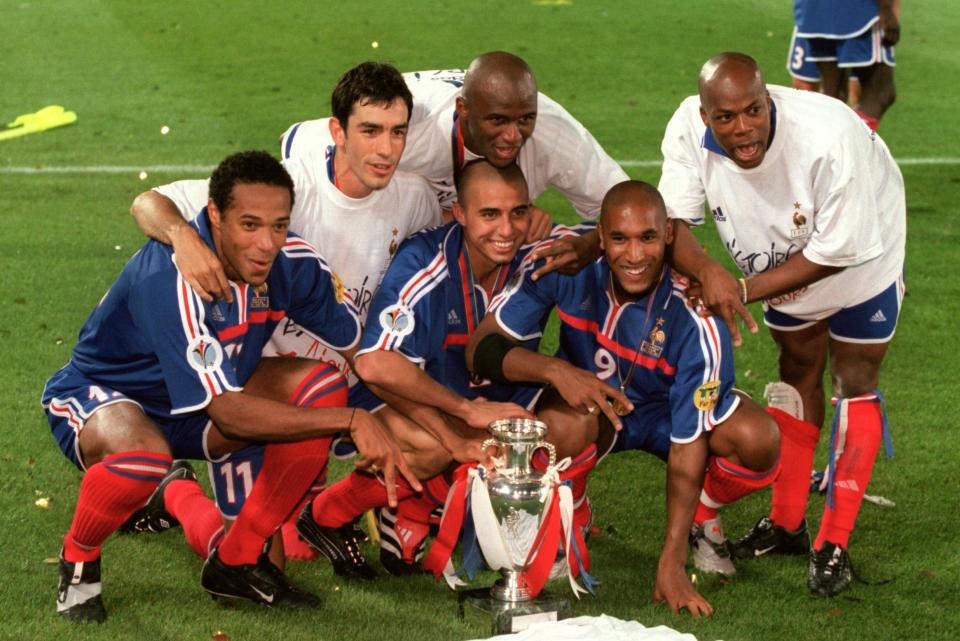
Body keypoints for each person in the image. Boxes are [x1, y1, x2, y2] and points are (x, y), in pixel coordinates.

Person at [43, 151, 415, 622]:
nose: (266, 244)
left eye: (278, 226)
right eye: (250, 225)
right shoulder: (172, 277)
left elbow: (362, 356)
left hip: (209, 399)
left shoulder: (291, 262)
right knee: (143, 457)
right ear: (215, 216)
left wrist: (440, 419)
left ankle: (234, 562)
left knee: (319, 386)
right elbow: (229, 413)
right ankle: (80, 557)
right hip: (110, 397)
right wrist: (353, 420)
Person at [129, 62, 441, 559]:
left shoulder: (414, 197)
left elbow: (452, 233)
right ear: (337, 130)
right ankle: (175, 491)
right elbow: (149, 201)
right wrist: (182, 236)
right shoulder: (289, 190)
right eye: (370, 131)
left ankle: (331, 512)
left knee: (435, 441)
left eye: (397, 132)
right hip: (267, 384)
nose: (385, 149)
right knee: (257, 556)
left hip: (353, 370)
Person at [466, 180, 779, 618]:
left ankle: (704, 517)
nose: (634, 256)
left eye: (648, 238)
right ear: (599, 238)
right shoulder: (565, 262)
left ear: (668, 236)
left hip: (670, 412)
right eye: (619, 239)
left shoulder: (695, 313)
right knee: (557, 429)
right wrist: (557, 370)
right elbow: (481, 350)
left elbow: (689, 448)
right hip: (592, 406)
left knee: (757, 440)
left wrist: (670, 561)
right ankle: (571, 514)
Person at [658, 52, 905, 598]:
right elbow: (673, 222)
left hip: (863, 250)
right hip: (775, 253)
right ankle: (788, 524)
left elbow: (834, 253)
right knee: (797, 367)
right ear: (705, 116)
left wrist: (738, 289)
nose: (742, 129)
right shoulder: (685, 127)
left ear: (770, 100)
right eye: (725, 118)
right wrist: (706, 270)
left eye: (753, 111)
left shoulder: (830, 136)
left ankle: (833, 543)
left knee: (853, 378)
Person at [298, 160, 570, 578]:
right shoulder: (425, 262)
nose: (506, 229)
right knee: (438, 445)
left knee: (550, 428)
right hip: (401, 399)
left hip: (479, 402)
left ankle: (418, 505)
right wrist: (462, 417)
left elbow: (613, 233)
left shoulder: (539, 254)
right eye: (489, 214)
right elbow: (375, 363)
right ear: (459, 213)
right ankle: (329, 512)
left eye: (518, 212)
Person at [280, 51, 628, 260]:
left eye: (525, 120)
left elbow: (630, 205)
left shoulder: (555, 135)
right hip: (412, 236)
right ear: (464, 110)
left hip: (490, 238)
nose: (512, 136)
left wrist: (589, 245)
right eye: (497, 120)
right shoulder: (410, 122)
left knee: (538, 241)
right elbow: (297, 143)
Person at [794, 0, 900, 130]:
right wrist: (886, 9)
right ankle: (852, 143)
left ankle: (829, 147)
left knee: (833, 98)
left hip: (812, 13)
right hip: (859, 13)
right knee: (881, 92)